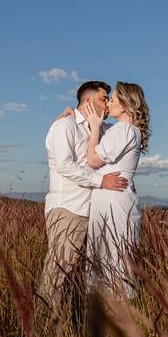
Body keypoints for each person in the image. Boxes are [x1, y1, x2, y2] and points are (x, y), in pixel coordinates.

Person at [37, 81, 129, 308]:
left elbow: (125, 128)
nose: (107, 104)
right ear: (88, 101)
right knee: (56, 273)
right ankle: (44, 330)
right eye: (103, 99)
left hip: (91, 212)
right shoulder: (65, 126)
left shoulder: (100, 129)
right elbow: (64, 165)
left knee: (78, 276)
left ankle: (72, 323)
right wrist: (101, 181)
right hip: (69, 209)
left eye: (109, 99)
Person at [80, 82, 150, 299]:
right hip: (115, 198)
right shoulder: (126, 130)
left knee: (111, 255)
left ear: (126, 104)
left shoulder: (124, 130)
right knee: (114, 254)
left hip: (112, 201)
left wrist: (92, 129)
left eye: (113, 100)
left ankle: (112, 310)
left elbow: (92, 160)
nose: (109, 103)